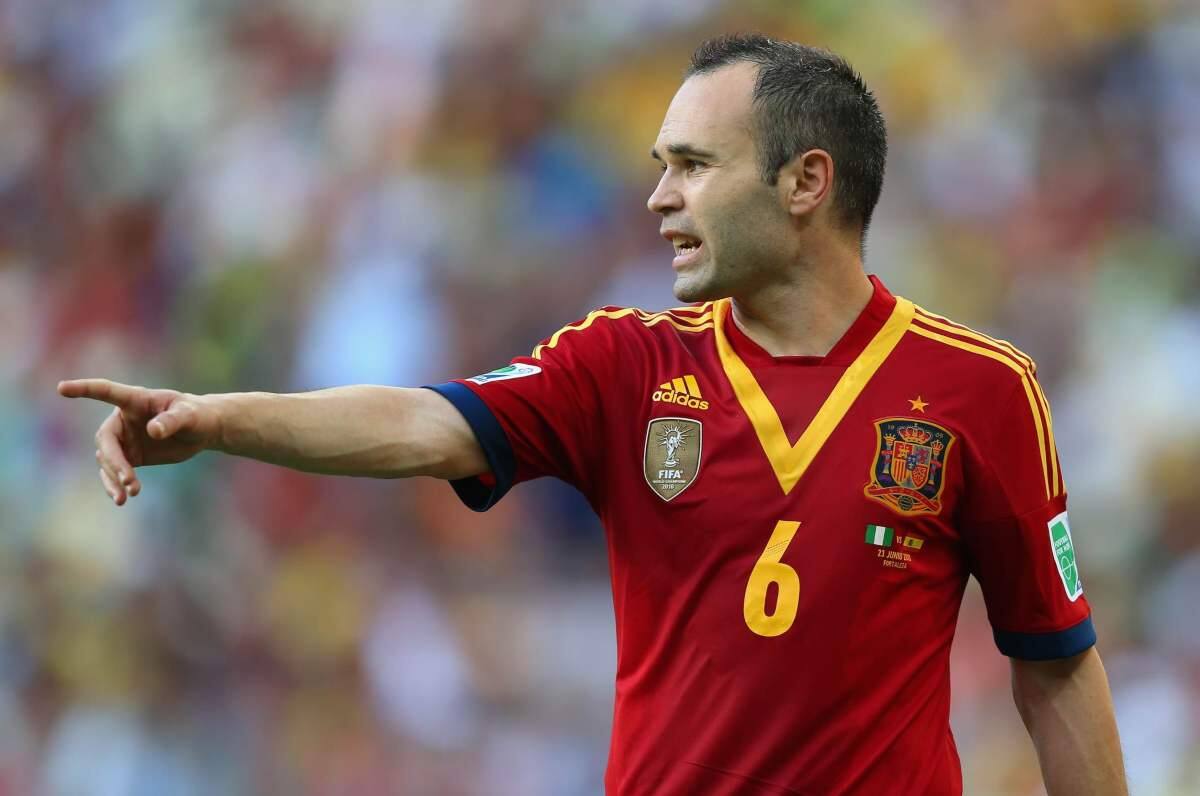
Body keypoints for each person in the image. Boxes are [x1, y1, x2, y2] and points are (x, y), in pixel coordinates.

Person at [59, 33, 1127, 796]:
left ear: (806, 182)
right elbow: (427, 425)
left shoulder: (982, 390)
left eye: (694, 167)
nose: (660, 197)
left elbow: (1056, 663)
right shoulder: (622, 362)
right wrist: (219, 419)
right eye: (661, 168)